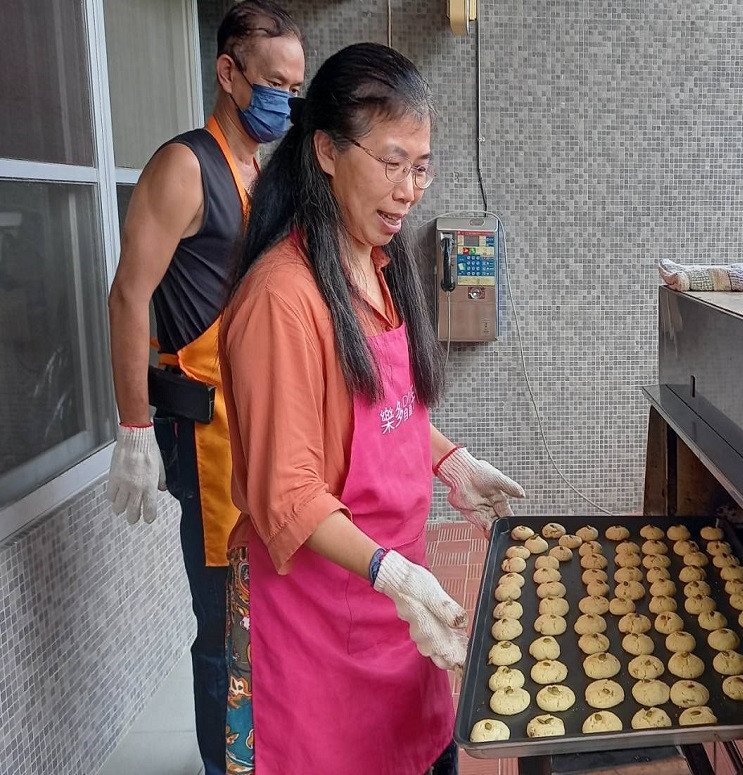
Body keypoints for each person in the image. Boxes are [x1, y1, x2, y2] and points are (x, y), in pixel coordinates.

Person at [218, 42, 525, 774]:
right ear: (325, 150)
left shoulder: (377, 267)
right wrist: (394, 573)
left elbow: (383, 410)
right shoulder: (281, 299)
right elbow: (286, 493)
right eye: (392, 161)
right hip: (312, 626)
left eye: (422, 166)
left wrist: (449, 460)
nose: (410, 188)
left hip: (397, 617)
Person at [104, 4, 304, 773]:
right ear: (228, 72)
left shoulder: (266, 170)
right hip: (210, 433)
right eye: (272, 83)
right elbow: (129, 296)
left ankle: (267, 748)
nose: (283, 100)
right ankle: (226, 764)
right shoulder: (185, 167)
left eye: (294, 86)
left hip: (270, 425)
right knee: (223, 621)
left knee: (274, 607)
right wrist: (132, 430)